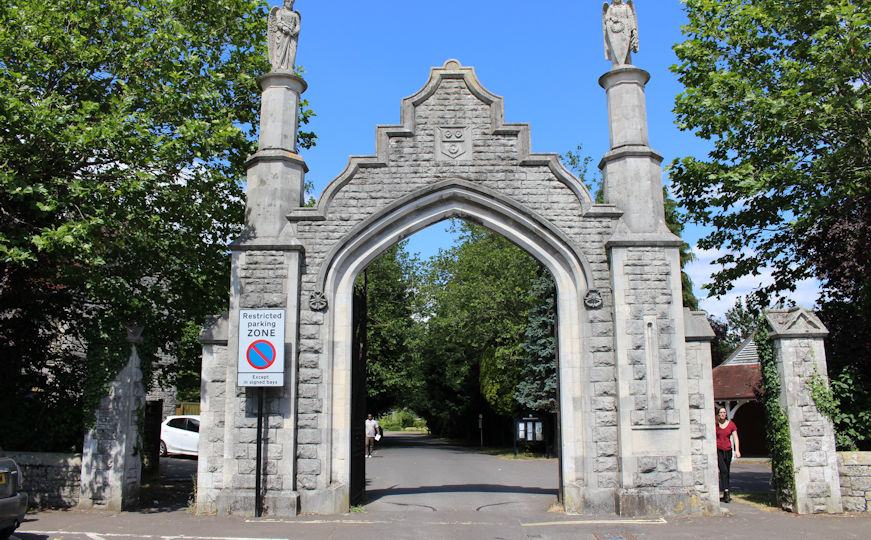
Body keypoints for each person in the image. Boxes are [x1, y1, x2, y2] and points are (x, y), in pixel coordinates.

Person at [716, 405, 741, 503]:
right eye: (721, 412)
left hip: (728, 450)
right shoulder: (716, 425)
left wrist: (737, 450)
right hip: (719, 450)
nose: (723, 414)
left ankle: (726, 491)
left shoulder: (731, 424)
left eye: (724, 412)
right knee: (723, 470)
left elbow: (735, 438)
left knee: (726, 471)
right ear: (718, 414)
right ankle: (726, 491)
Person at [267, 0, 300, 72]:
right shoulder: (279, 12)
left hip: (291, 36)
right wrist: (284, 28)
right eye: (288, 1)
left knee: (292, 52)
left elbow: (298, 26)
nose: (290, 3)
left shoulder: (295, 15)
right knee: (280, 52)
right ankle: (277, 67)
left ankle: (289, 68)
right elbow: (278, 22)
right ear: (285, 2)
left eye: (292, 2)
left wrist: (296, 30)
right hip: (282, 35)